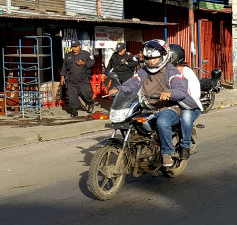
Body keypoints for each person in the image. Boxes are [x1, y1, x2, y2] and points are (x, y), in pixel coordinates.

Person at [109, 39, 197, 167]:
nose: (151, 61)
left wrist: (170, 93)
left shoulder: (171, 71)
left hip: (170, 107)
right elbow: (133, 82)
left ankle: (167, 153)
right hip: (148, 107)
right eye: (148, 58)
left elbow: (181, 90)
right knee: (131, 121)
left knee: (163, 122)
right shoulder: (144, 70)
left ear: (163, 56)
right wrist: (119, 88)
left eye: (155, 58)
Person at [169, 44, 202, 161]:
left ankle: (185, 146)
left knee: (186, 117)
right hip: (171, 105)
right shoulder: (164, 72)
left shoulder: (186, 72)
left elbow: (195, 94)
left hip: (189, 106)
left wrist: (178, 98)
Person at [60, 40, 95, 117]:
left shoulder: (86, 54)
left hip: (83, 79)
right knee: (72, 96)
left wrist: (84, 63)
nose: (74, 48)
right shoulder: (68, 55)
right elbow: (64, 66)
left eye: (75, 47)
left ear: (80, 46)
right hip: (71, 79)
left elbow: (92, 62)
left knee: (86, 94)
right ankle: (74, 110)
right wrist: (62, 76)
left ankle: (90, 103)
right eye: (73, 47)